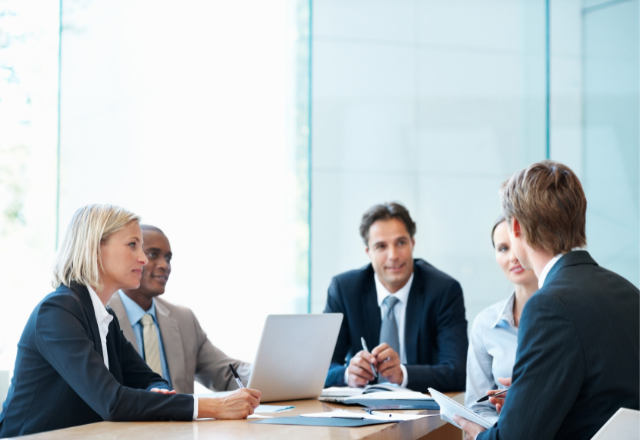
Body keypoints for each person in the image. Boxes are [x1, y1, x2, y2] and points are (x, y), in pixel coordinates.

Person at [0, 205, 261, 437]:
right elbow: (111, 401)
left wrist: (158, 391)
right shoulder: (57, 312)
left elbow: (147, 378)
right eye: (133, 245)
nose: (143, 259)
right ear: (95, 247)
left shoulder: (104, 317)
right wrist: (212, 406)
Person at [454, 161, 639, 440]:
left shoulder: (549, 305)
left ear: (515, 227)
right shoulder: (628, 292)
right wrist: (529, 393)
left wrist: (480, 434)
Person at [324, 202, 468, 392]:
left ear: (412, 243)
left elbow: (457, 371)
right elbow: (320, 368)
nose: (393, 255)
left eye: (401, 243)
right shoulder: (344, 289)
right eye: (381, 246)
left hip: (423, 411)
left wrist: (403, 374)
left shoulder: (444, 291)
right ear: (369, 252)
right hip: (361, 410)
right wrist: (346, 374)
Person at [107, 224, 251, 394]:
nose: (164, 265)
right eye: (153, 255)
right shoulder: (102, 314)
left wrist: (278, 372)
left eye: (168, 258)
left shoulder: (183, 319)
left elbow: (226, 373)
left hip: (181, 419)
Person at [464, 215, 538, 423]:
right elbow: (477, 408)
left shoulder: (569, 316)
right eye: (503, 248)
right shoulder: (485, 324)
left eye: (519, 243)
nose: (513, 256)